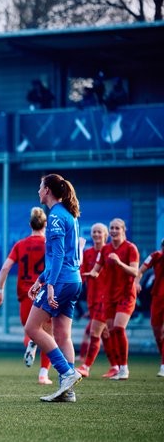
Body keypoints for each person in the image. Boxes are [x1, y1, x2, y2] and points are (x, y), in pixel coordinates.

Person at [25, 173, 84, 403]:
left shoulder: (57, 216)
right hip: (73, 280)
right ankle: (67, 391)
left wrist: (49, 286)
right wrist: (41, 279)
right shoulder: (68, 214)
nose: (38, 191)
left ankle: (67, 373)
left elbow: (59, 255)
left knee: (33, 327)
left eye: (40, 187)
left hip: (61, 281)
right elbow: (59, 256)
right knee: (62, 335)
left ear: (47, 190)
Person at [0, 207, 54, 384]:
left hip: (26, 295)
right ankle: (43, 374)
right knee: (48, 335)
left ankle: (31, 344)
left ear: (30, 224)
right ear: (46, 224)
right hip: (45, 292)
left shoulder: (20, 245)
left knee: (31, 330)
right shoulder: (49, 244)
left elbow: (5, 268)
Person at [85, 218, 139, 380]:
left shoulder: (130, 248)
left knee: (118, 328)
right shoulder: (106, 249)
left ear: (123, 230)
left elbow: (135, 272)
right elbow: (96, 270)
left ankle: (124, 368)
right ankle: (118, 367)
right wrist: (89, 275)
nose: (114, 231)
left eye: (117, 228)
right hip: (109, 297)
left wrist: (119, 263)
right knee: (111, 332)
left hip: (125, 295)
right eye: (112, 228)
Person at [75, 223, 110, 377]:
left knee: (94, 331)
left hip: (107, 299)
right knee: (105, 333)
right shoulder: (88, 253)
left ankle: (86, 366)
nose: (96, 234)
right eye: (94, 232)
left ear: (105, 235)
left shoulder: (109, 252)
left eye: (99, 232)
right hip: (92, 299)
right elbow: (81, 276)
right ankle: (117, 366)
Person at [136, 238, 164, 377]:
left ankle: (163, 366)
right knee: (158, 333)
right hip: (158, 298)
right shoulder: (155, 256)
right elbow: (140, 270)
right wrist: (136, 282)